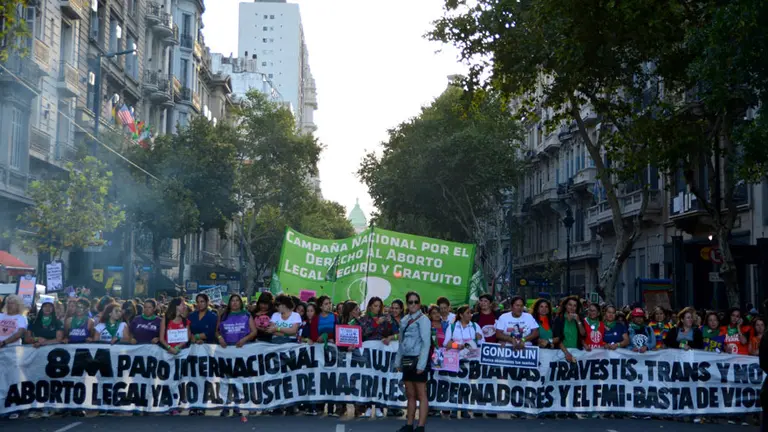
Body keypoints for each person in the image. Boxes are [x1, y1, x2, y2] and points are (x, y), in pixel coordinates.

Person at [395, 292, 431, 432]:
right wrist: (398, 361)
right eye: (410, 302)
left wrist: (421, 365)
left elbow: (426, 343)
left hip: (418, 359)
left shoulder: (424, 320)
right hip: (407, 359)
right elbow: (401, 343)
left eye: (416, 302)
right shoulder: (404, 320)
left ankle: (420, 426)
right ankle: (409, 424)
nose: (413, 304)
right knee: (410, 394)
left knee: (421, 394)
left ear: (419, 303)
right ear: (407, 304)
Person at [217, 294, 257, 418]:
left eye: (237, 301)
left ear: (241, 303)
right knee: (226, 379)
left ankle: (237, 405)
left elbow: (254, 331)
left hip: (241, 350)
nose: (234, 303)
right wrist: (220, 338)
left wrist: (244, 339)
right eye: (232, 301)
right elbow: (217, 330)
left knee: (239, 379)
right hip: (226, 351)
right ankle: (225, 405)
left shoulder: (246, 315)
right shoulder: (224, 315)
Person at [358, 296, 393, 418]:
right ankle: (368, 406)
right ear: (370, 306)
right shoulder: (363, 319)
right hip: (367, 352)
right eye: (375, 306)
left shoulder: (383, 318)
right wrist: (375, 324)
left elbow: (387, 334)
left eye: (379, 306)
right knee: (368, 378)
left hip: (380, 351)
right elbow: (363, 333)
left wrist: (389, 324)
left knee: (379, 378)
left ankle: (378, 406)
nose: (377, 309)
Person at [553, 296, 585, 362]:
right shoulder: (559, 319)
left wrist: (578, 321)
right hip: (562, 352)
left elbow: (583, 334)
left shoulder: (579, 318)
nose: (572, 308)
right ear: (565, 305)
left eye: (574, 306)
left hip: (577, 352)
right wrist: (566, 353)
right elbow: (557, 338)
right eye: (570, 305)